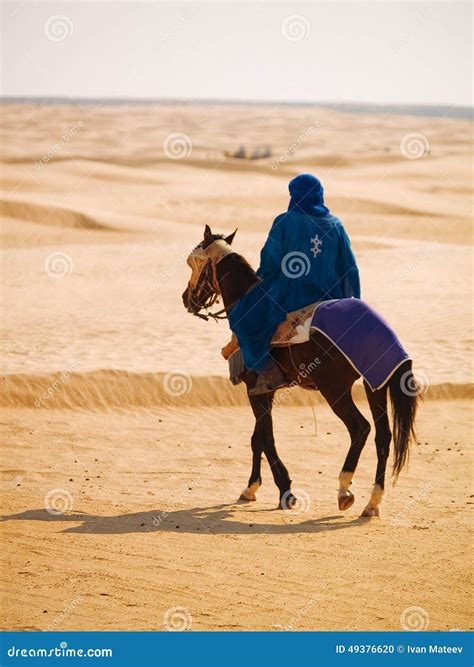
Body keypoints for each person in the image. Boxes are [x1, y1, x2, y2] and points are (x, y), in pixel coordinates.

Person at [228, 173, 360, 395]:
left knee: (243, 316)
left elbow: (270, 263)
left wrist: (260, 284)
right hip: (331, 298)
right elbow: (349, 268)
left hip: (290, 295)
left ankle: (266, 370)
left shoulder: (285, 221)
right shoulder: (336, 225)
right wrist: (351, 302)